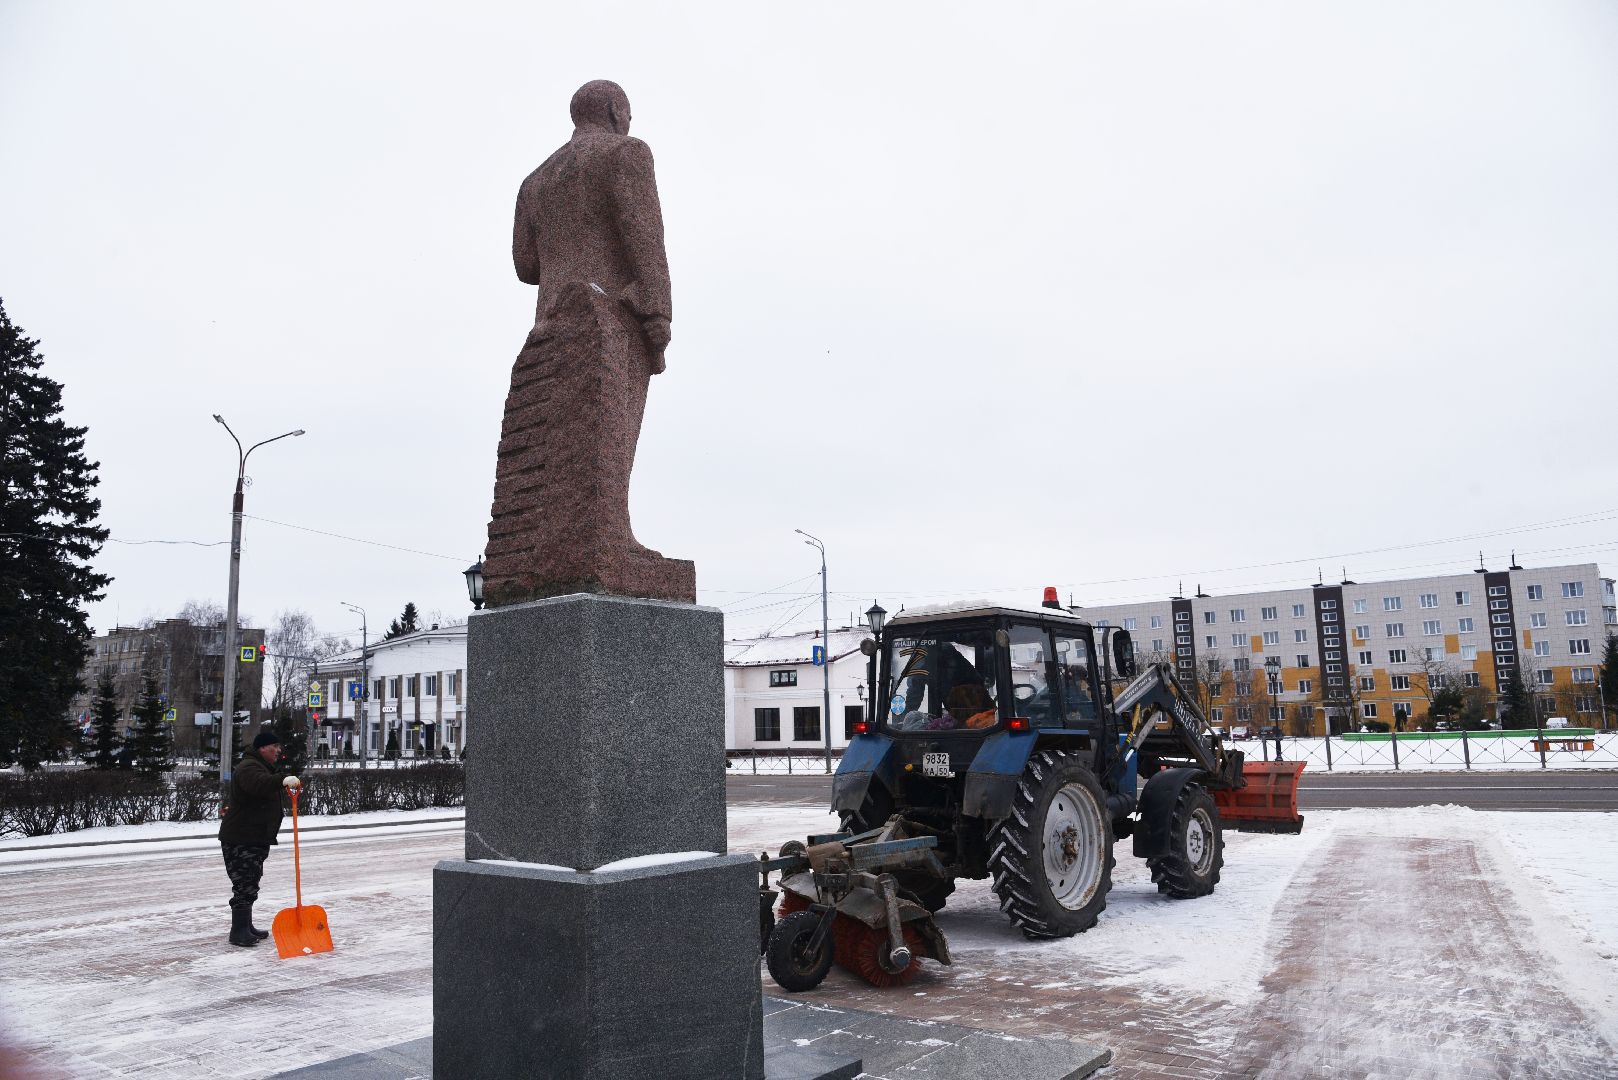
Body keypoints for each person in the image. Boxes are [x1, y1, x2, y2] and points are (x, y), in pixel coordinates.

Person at [218, 729, 286, 948]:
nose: (278, 750)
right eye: (274, 746)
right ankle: (238, 932)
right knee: (244, 883)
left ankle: (246, 925)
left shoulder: (259, 766)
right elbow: (259, 785)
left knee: (250, 882)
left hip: (253, 836)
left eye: (278, 746)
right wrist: (282, 780)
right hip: (241, 838)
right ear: (262, 748)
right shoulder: (249, 767)